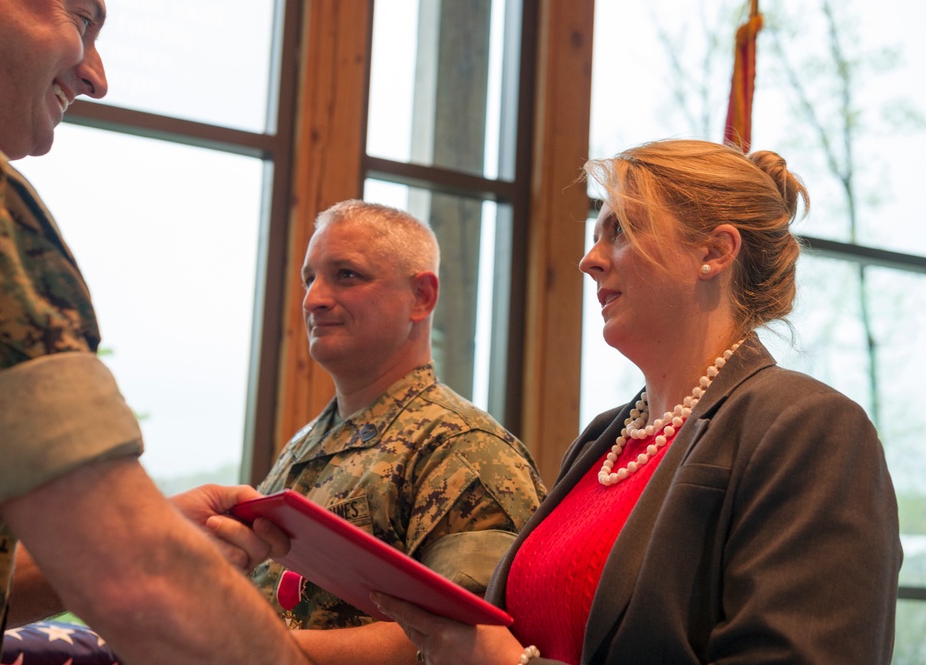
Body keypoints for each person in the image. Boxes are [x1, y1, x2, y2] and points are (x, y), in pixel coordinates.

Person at [372, 139, 903, 664]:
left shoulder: (809, 429)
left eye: (620, 230)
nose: (588, 261)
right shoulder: (602, 439)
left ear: (714, 252)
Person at [0, 1, 309, 663]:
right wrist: (142, 543)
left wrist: (145, 528)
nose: (97, 76)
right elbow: (143, 585)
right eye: (82, 20)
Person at [250, 199, 546, 664]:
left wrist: (241, 649)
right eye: (310, 278)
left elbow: (459, 638)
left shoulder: (463, 449)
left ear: (421, 297)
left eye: (346, 274)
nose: (314, 298)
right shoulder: (306, 444)